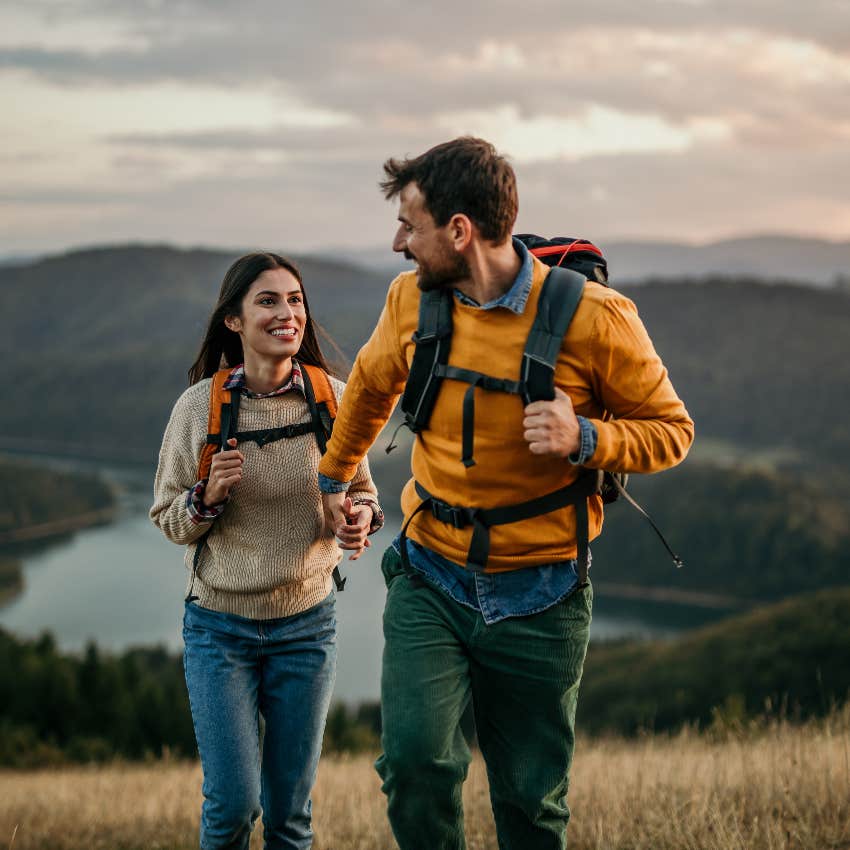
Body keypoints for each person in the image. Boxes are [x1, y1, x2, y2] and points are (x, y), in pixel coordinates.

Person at [318, 138, 694, 849]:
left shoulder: (596, 317)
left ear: (459, 231)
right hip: (431, 576)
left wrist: (585, 437)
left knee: (529, 803)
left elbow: (672, 431)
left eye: (410, 223)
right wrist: (334, 477)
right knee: (416, 767)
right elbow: (369, 387)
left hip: (543, 596)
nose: (399, 242)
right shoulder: (411, 302)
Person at [150, 252, 382, 850]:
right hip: (218, 629)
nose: (287, 313)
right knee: (232, 808)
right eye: (269, 301)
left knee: (290, 815)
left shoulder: (335, 399)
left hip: (307, 626)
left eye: (296, 300)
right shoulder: (199, 408)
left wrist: (357, 518)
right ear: (233, 320)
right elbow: (169, 519)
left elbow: (364, 496)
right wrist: (207, 496)